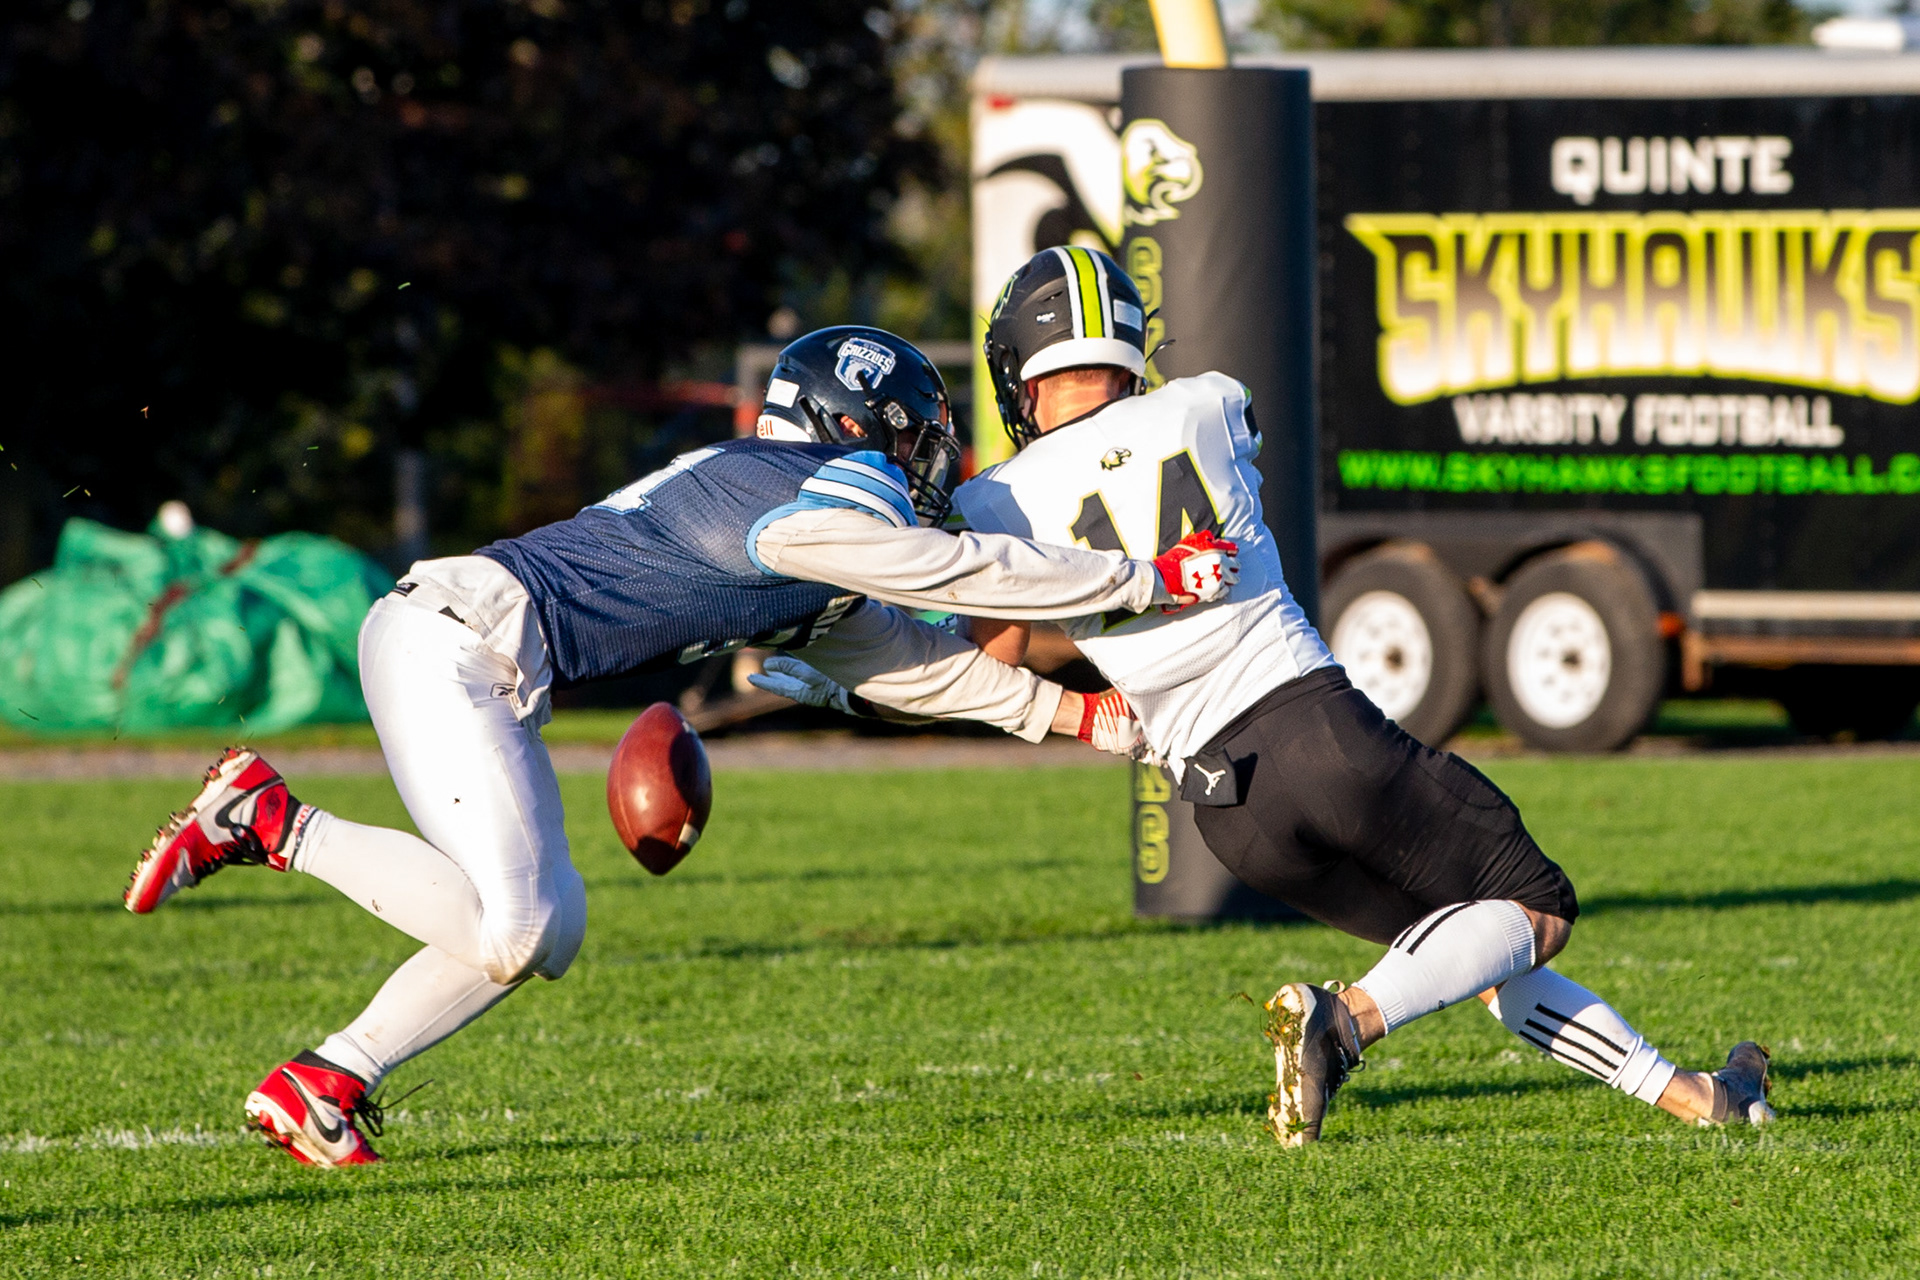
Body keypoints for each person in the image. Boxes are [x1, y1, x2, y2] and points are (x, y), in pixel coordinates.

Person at [122, 325, 1237, 1168]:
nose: (933, 456)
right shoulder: (795, 489)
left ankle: (323, 1080)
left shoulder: (818, 529)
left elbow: (910, 661)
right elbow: (944, 576)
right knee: (526, 923)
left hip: (491, 662)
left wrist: (1087, 720)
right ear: (862, 425)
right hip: (452, 640)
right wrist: (1138, 579)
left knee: (539, 928)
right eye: (918, 431)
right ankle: (269, 819)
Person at [781, 249, 1774, 1145]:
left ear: (1020, 376)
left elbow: (986, 652)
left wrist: (837, 671)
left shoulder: (997, 502)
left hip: (1225, 808)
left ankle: (1697, 1096)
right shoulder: (1209, 402)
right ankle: (1341, 1020)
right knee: (1536, 903)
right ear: (1131, 350)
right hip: (1316, 726)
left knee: (1467, 943)